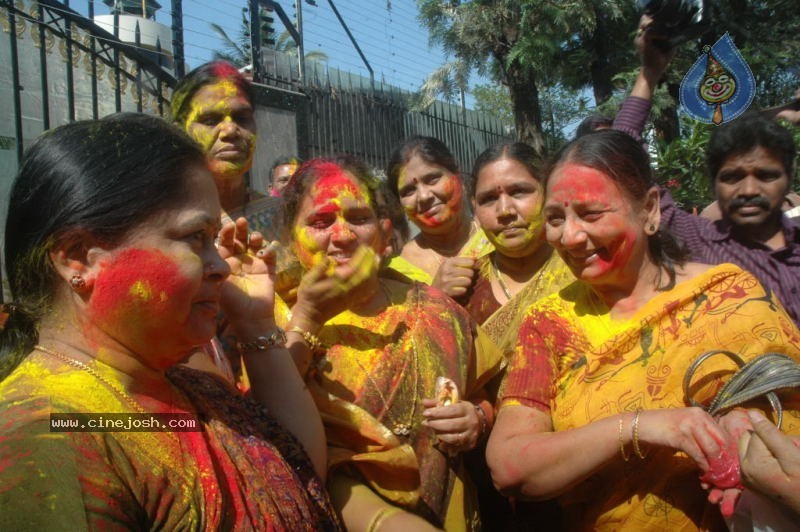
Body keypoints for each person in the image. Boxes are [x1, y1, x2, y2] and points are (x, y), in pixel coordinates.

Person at [0, 115, 340, 529]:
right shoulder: (51, 438)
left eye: (214, 239)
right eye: (195, 236)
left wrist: (254, 322)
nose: (220, 266)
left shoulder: (177, 386)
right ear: (78, 257)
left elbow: (297, 471)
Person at [486, 129, 800, 531]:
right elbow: (510, 468)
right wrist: (638, 426)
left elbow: (787, 418)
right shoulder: (549, 322)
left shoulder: (729, 296)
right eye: (554, 219)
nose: (569, 236)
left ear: (650, 209)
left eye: (590, 214)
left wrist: (744, 428)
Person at [281, 155, 504, 531]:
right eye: (320, 222)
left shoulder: (437, 308)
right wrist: (305, 322)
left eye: (358, 218)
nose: (343, 235)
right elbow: (264, 428)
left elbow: (484, 395)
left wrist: (477, 418)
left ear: (385, 235)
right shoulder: (269, 323)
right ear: (291, 240)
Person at [613, 17, 800, 328]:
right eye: (732, 177)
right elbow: (621, 158)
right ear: (713, 182)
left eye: (766, 175)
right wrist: (649, 73)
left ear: (789, 176)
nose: (749, 190)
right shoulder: (699, 242)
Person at [464, 142, 574, 349]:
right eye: (488, 199)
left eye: (519, 192)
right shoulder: (464, 287)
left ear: (547, 192)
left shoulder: (581, 272)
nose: (505, 210)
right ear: (474, 207)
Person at [385, 136, 492, 290]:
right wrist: (436, 297)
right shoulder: (397, 274)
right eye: (409, 191)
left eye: (432, 179)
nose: (424, 196)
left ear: (457, 175)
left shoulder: (495, 237)